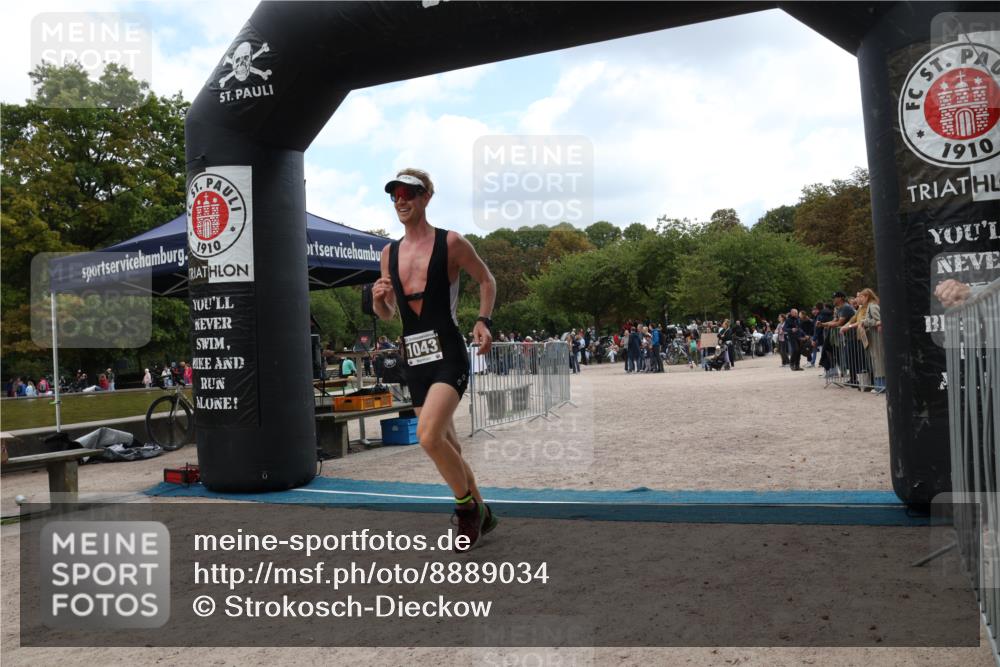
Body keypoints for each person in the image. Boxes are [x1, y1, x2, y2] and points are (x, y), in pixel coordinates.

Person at [371, 168, 498, 552]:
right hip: (414, 356)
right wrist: (379, 301)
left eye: (409, 193)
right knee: (447, 445)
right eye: (395, 195)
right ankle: (483, 511)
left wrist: (483, 321)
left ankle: (466, 510)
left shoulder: (452, 242)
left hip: (448, 352)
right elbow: (390, 314)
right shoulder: (388, 253)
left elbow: (486, 280)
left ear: (426, 197)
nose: (401, 201)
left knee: (427, 436)